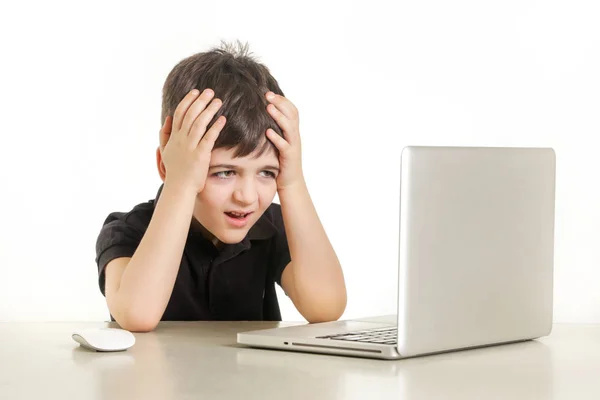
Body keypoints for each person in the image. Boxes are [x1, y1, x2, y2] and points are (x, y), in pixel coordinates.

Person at [94, 41, 347, 332]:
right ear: (167, 165)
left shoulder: (271, 227)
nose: (247, 197)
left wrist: (291, 182)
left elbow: (326, 307)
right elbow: (137, 314)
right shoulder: (127, 231)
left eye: (267, 172)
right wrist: (181, 183)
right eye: (224, 173)